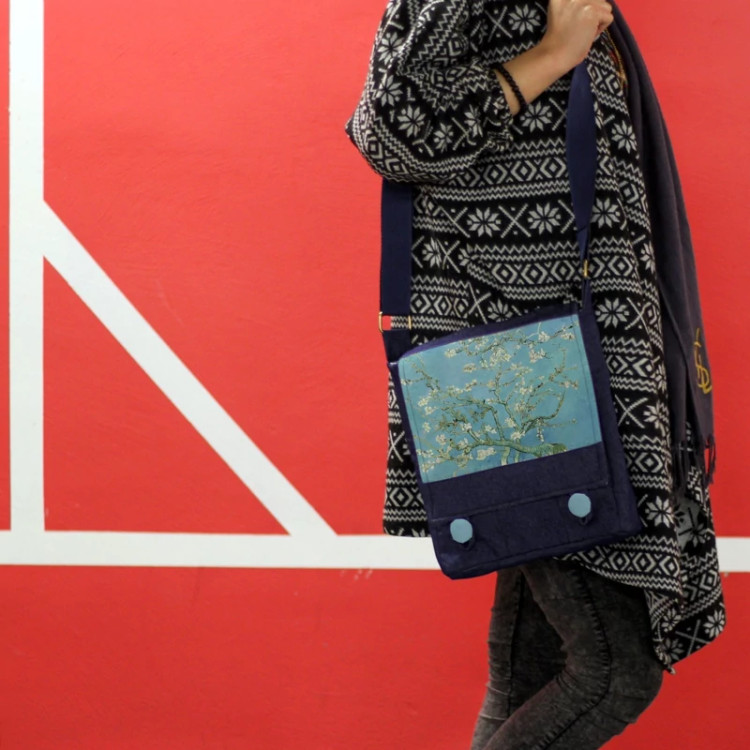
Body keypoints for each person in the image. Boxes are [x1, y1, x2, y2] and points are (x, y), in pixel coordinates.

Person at [343, 0, 726, 747]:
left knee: (530, 672)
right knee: (615, 672)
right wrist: (553, 53)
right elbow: (391, 127)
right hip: (534, 385)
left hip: (565, 372)